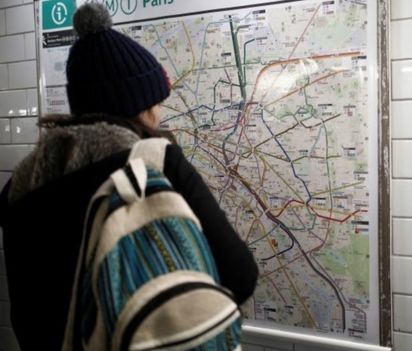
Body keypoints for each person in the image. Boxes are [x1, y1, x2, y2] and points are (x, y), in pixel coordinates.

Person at [0, 3, 258, 349]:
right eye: (155, 101)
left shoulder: (19, 185)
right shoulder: (155, 160)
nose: (159, 112)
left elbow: (26, 312)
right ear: (137, 104)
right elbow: (240, 275)